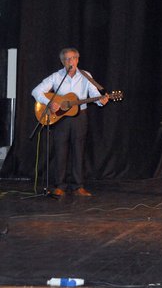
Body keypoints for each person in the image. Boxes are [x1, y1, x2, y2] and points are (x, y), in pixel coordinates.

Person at [31, 47, 109, 197]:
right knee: (60, 150)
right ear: (62, 61)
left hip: (81, 116)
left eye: (73, 58)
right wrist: (50, 102)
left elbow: (94, 94)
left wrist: (101, 100)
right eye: (66, 59)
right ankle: (60, 185)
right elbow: (36, 91)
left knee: (79, 150)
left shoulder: (86, 76)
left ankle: (78, 186)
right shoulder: (56, 77)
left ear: (77, 60)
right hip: (61, 118)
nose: (70, 61)